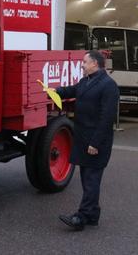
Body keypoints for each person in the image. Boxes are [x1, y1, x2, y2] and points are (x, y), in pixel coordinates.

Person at [54, 50, 119, 231]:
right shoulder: (86, 81)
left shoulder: (108, 86)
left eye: (84, 62)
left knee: (91, 180)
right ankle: (92, 215)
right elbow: (73, 90)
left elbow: (107, 118)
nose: (82, 65)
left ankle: (81, 217)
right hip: (83, 138)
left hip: (96, 141)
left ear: (94, 64)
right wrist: (55, 91)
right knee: (86, 178)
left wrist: (95, 144)